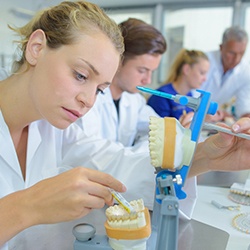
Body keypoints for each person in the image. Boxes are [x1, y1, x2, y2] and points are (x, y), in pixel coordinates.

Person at [1, 1, 250, 249]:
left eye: (99, 90)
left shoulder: (54, 129)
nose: (88, 100)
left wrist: (208, 156)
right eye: (80, 75)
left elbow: (117, 165)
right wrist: (28, 206)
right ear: (36, 48)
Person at [80, 18, 166, 147]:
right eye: (142, 70)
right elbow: (93, 153)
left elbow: (160, 131)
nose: (147, 80)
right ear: (118, 61)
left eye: (152, 71)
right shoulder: (89, 99)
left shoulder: (135, 100)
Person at [193, 26, 250, 120]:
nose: (237, 59)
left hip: (210, 119)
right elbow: (191, 93)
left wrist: (247, 118)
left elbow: (244, 104)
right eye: (232, 53)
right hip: (189, 113)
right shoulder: (204, 61)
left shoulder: (246, 71)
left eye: (241, 53)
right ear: (221, 47)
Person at [147, 49, 210, 120]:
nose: (205, 79)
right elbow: (159, 128)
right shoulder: (161, 97)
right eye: (202, 73)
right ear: (187, 69)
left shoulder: (190, 96)